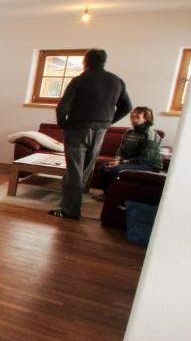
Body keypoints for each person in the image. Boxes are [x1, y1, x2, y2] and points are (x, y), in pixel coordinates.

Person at [49, 48, 132, 220]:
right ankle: (74, 203)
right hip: (100, 130)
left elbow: (62, 107)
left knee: (75, 170)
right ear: (104, 61)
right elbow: (127, 107)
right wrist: (109, 122)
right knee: (86, 168)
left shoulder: (80, 81)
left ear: (85, 61)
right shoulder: (116, 81)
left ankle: (70, 210)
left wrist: (64, 125)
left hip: (77, 129)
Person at [96, 106, 164, 197]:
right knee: (103, 167)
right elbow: (121, 150)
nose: (133, 114)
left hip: (149, 165)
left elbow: (144, 159)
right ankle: (107, 195)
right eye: (133, 112)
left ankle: (115, 196)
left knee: (115, 170)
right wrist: (117, 160)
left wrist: (120, 163)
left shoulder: (150, 135)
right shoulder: (128, 132)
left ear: (146, 119)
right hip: (132, 162)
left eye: (138, 114)